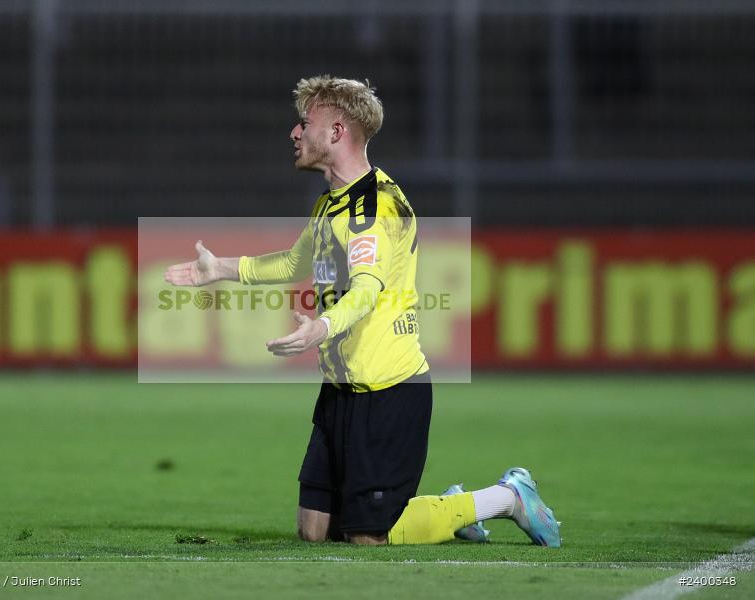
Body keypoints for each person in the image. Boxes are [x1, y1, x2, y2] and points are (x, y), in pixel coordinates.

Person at [165, 75, 561, 547]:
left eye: (304, 123)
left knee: (369, 537)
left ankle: (505, 498)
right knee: (314, 531)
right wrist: (219, 268)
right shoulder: (331, 205)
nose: (294, 132)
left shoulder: (373, 208)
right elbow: (293, 263)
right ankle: (445, 508)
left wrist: (321, 328)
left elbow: (367, 289)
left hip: (388, 392)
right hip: (341, 390)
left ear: (336, 131)